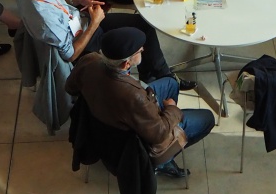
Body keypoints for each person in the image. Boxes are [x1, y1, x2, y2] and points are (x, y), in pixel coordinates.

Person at [18, 0, 189, 87]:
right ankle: (164, 78)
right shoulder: (45, 21)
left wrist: (76, 0)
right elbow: (70, 55)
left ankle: (153, 75)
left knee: (143, 24)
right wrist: (94, 23)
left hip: (83, 22)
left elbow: (57, 5)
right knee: (140, 35)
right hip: (87, 42)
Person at [65, 26, 215, 178]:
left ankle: (165, 137)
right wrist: (172, 110)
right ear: (126, 64)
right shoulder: (135, 97)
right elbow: (159, 134)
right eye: (139, 50)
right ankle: (162, 161)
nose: (143, 49)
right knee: (207, 118)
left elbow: (70, 87)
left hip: (103, 122)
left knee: (171, 84)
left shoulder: (89, 60)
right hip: (134, 141)